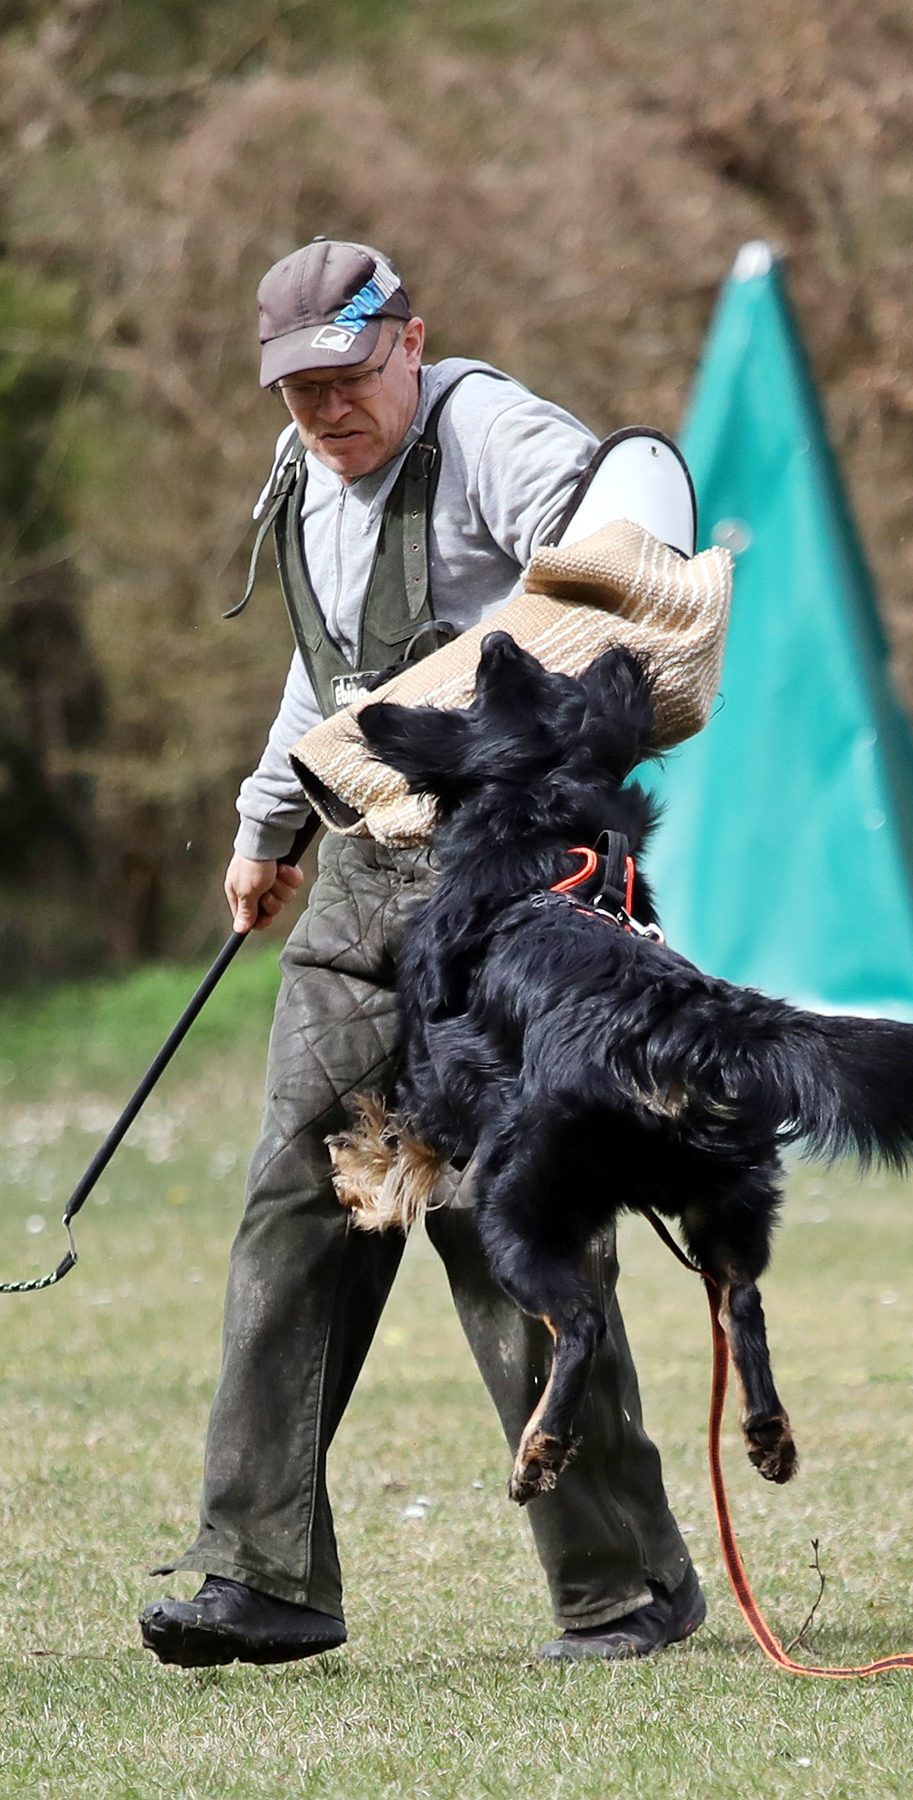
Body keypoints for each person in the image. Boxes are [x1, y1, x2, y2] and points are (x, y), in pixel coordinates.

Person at [139, 238, 703, 1668]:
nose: (323, 409)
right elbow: (325, 673)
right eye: (296, 388)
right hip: (357, 886)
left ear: (407, 340)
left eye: (343, 375)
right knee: (293, 1209)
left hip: (508, 885)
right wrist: (270, 823)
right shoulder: (308, 478)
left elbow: (614, 575)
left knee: (499, 1219)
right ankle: (261, 1575)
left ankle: (625, 1585)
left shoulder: (490, 433)